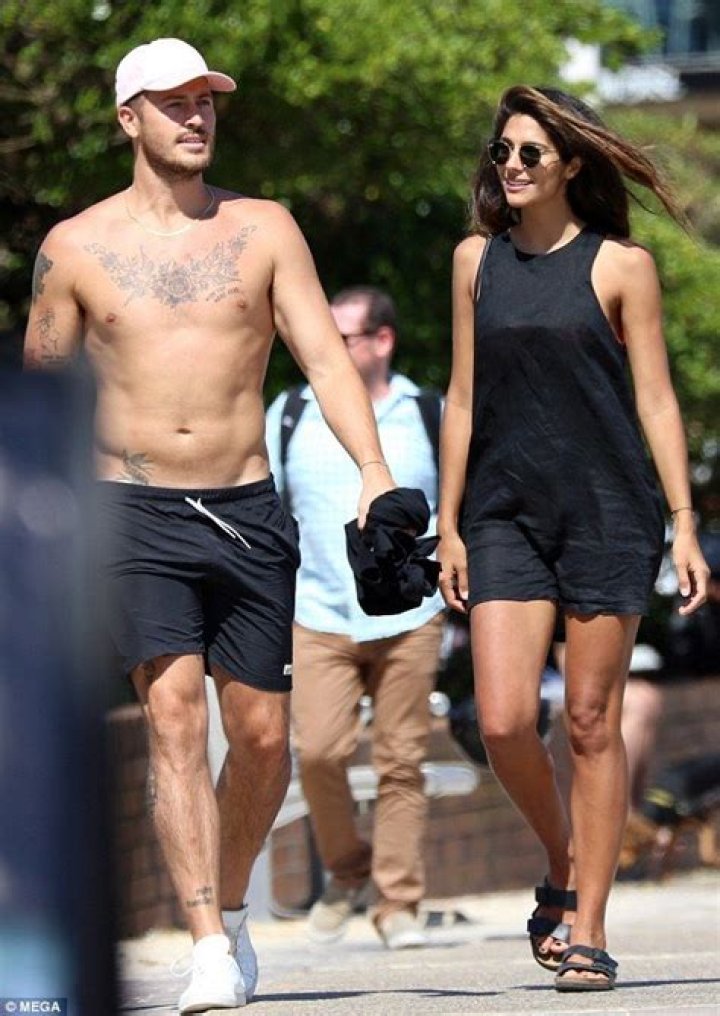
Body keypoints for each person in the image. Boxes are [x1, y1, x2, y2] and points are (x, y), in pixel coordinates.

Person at [23, 38, 395, 1015]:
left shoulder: (264, 228)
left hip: (245, 509)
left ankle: (228, 906)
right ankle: (203, 943)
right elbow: (42, 399)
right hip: (128, 510)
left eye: (206, 101)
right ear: (128, 118)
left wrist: (375, 471)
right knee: (175, 715)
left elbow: (325, 359)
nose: (196, 116)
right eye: (174, 101)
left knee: (263, 738)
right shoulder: (73, 248)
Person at [437, 84, 709, 992]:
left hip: (606, 512)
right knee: (504, 718)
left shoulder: (621, 266)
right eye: (502, 153)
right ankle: (561, 853)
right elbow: (462, 397)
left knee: (592, 721)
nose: (511, 167)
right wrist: (448, 522)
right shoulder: (475, 260)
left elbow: (656, 401)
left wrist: (684, 524)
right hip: (503, 512)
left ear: (571, 165)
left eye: (530, 154)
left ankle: (588, 924)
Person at [266, 286, 446, 949]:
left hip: (412, 615)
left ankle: (398, 904)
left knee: (402, 760)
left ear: (382, 340)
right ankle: (347, 869)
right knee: (317, 752)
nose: (329, 346)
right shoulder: (290, 411)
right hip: (317, 610)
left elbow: (459, 504)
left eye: (344, 337)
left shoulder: (427, 412)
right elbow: (266, 504)